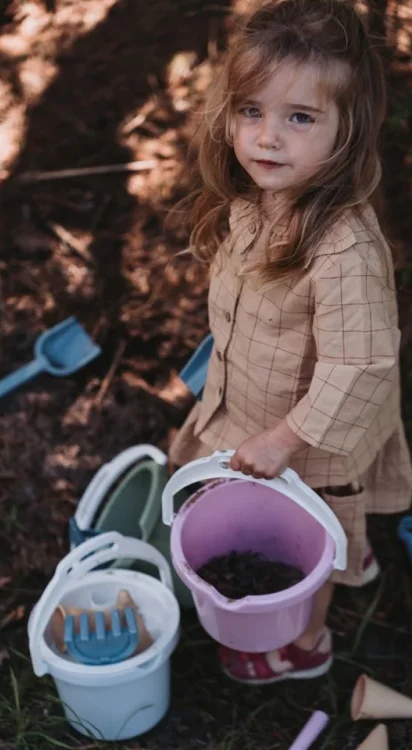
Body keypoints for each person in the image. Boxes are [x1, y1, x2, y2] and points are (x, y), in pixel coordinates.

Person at [169, 0, 412, 684]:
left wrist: (283, 439)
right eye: (252, 112)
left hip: (308, 438)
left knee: (314, 533)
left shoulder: (343, 249)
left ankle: (304, 642)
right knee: (292, 515)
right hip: (252, 404)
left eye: (299, 118)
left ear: (347, 129)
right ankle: (351, 547)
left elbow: (361, 363)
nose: (268, 138)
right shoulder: (257, 201)